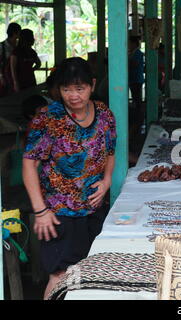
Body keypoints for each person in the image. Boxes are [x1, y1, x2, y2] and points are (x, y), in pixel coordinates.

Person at [22, 57, 116, 299]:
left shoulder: (104, 114)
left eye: (80, 88)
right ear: (58, 90)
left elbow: (110, 152)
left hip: (93, 208)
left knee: (90, 273)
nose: (74, 95)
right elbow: (29, 164)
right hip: (59, 212)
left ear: (92, 85)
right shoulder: (48, 118)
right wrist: (40, 211)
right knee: (61, 275)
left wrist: (106, 182)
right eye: (66, 89)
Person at [0, 22, 21, 96]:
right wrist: (1, 76)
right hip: (6, 76)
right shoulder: (2, 46)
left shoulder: (19, 45)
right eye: (19, 31)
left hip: (19, 75)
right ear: (15, 33)